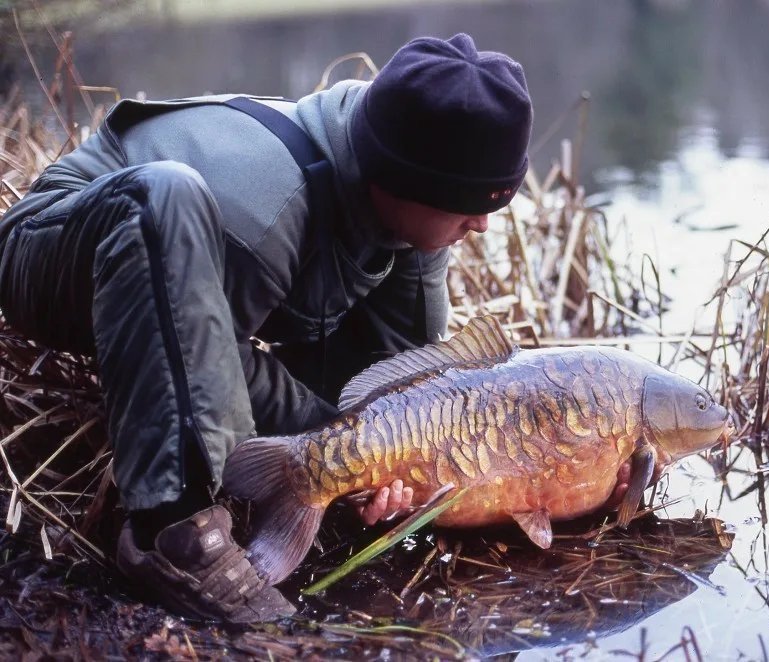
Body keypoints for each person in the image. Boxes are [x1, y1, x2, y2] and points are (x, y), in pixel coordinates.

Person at [0, 33, 533, 623]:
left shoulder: (414, 194)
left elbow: (399, 388)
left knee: (389, 418)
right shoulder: (266, 207)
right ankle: (168, 530)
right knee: (166, 198)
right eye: (468, 205)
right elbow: (211, 353)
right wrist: (327, 439)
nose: (482, 224)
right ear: (404, 180)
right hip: (69, 242)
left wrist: (382, 462)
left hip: (205, 259)